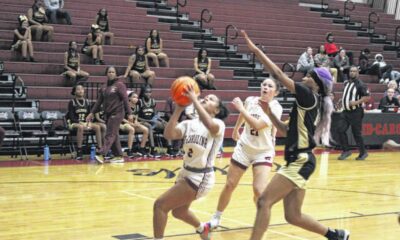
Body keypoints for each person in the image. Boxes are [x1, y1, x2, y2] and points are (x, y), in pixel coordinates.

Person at [241, 30, 349, 240]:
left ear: (316, 83)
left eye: (309, 76)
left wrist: (255, 50)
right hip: (301, 159)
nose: (305, 77)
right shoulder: (311, 103)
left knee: (264, 201)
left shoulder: (308, 95)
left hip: (300, 160)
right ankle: (336, 235)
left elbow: (280, 76)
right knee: (293, 215)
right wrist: (269, 113)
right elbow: (284, 130)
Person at [153, 84, 229, 240]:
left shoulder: (219, 124)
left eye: (211, 99)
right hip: (185, 172)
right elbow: (169, 134)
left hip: (200, 177)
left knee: (160, 206)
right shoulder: (190, 124)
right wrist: (178, 109)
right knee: (179, 212)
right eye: (205, 97)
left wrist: (194, 99)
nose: (206, 98)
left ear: (216, 110)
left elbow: (211, 127)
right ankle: (203, 229)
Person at [209, 78, 282, 230]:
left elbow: (257, 125)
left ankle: (260, 217)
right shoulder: (251, 100)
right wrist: (236, 129)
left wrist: (240, 108)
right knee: (230, 184)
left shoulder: (276, 108)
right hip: (244, 147)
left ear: (276, 92)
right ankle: (216, 216)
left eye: (270, 86)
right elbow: (244, 115)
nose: (265, 87)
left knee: (258, 190)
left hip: (263, 151)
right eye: (264, 84)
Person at [86, 66, 133, 163]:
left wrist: (130, 113)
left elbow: (125, 99)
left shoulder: (120, 85)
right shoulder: (103, 87)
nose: (111, 73)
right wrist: (91, 113)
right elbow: (98, 102)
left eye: (113, 72)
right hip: (107, 114)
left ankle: (102, 154)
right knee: (114, 134)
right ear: (106, 74)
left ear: (115, 74)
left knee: (110, 134)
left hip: (117, 113)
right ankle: (119, 156)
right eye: (109, 72)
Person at [337, 66, 370, 161]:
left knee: (356, 134)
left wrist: (355, 103)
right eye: (351, 71)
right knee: (340, 129)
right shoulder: (347, 82)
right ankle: (346, 151)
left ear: (357, 73)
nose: (352, 73)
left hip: (356, 112)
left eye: (354, 71)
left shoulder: (361, 84)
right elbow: (346, 95)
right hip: (345, 111)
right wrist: (341, 101)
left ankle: (363, 153)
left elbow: (367, 97)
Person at [66, 84, 104, 160]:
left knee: (97, 127)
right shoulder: (72, 102)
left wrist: (89, 122)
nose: (80, 91)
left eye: (82, 89)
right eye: (78, 89)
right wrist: (79, 122)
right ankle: (79, 150)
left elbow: (89, 114)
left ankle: (100, 149)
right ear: (74, 91)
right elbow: (71, 116)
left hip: (84, 122)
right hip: (74, 123)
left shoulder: (87, 101)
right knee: (80, 127)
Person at [137, 86, 173, 157]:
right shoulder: (140, 102)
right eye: (146, 92)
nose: (148, 94)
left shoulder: (153, 101)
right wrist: (148, 120)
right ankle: (152, 149)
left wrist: (162, 120)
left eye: (150, 92)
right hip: (142, 121)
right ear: (143, 93)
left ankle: (169, 148)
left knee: (166, 125)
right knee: (149, 126)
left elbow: (155, 114)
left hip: (152, 121)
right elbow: (137, 117)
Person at [120, 92, 149, 157]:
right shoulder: (125, 106)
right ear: (129, 98)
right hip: (123, 124)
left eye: (137, 97)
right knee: (132, 129)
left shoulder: (137, 106)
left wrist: (136, 122)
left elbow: (136, 117)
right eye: (134, 97)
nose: (136, 99)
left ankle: (142, 148)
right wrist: (131, 124)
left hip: (132, 124)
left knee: (146, 129)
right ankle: (129, 150)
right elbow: (121, 118)